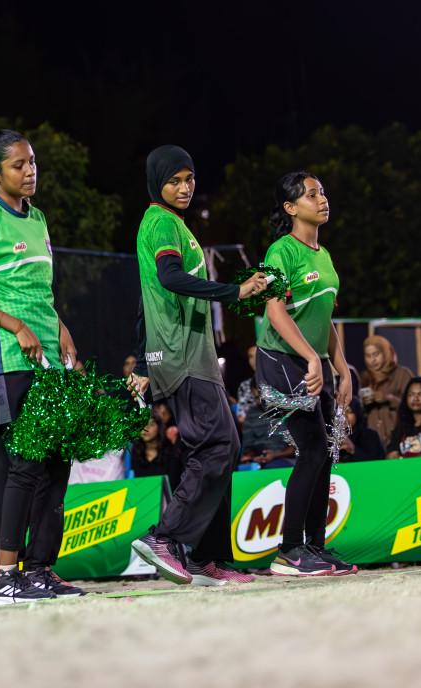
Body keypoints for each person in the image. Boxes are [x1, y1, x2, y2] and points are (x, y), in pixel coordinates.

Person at [0, 130, 90, 604]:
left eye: (32, 163)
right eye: (18, 165)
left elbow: (39, 292)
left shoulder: (39, 218)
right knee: (24, 466)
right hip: (9, 358)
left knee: (56, 464)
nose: (30, 171)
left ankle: (39, 569)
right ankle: (3, 576)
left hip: (51, 357)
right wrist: (14, 326)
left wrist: (60, 328)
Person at [128, 146, 266, 588]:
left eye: (189, 179)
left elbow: (146, 299)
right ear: (157, 183)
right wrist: (233, 291)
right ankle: (165, 536)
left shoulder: (172, 224)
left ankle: (208, 559)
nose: (185, 188)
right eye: (175, 181)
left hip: (185, 355)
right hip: (181, 356)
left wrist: (143, 357)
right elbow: (168, 278)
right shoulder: (162, 221)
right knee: (216, 446)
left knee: (225, 445)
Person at [254, 171, 356, 578]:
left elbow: (324, 316)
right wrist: (312, 358)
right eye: (312, 194)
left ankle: (315, 547)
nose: (322, 199)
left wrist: (341, 365)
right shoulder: (281, 251)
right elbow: (274, 311)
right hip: (282, 359)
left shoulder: (324, 255)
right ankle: (289, 551)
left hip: (310, 361)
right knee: (312, 449)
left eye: (323, 192)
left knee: (326, 453)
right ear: (290, 207)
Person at [128, 413, 181, 483]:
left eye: (151, 424)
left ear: (159, 427)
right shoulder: (135, 454)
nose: (146, 429)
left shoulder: (172, 453)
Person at [337, 398, 385, 462]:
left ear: (357, 413)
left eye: (349, 411)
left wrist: (352, 449)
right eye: (340, 412)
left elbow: (378, 463)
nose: (344, 416)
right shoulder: (328, 436)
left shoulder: (370, 435)